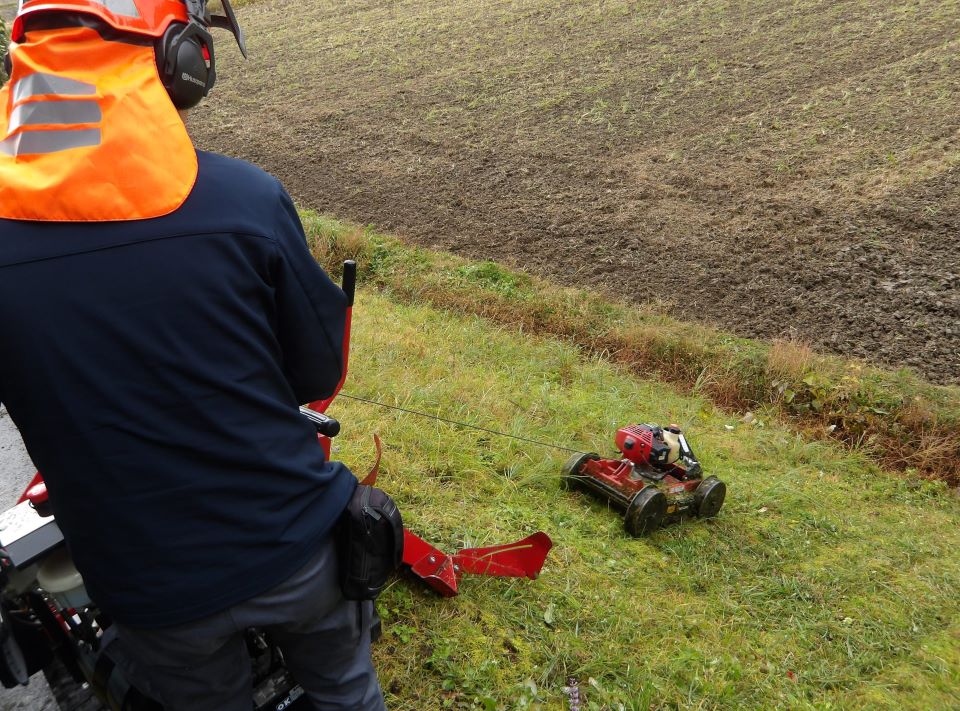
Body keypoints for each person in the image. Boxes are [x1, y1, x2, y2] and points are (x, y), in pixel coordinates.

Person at [0, 1, 385, 708]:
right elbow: (318, 375)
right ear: (179, 62)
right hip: (293, 550)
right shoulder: (248, 202)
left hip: (150, 591)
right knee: (347, 689)